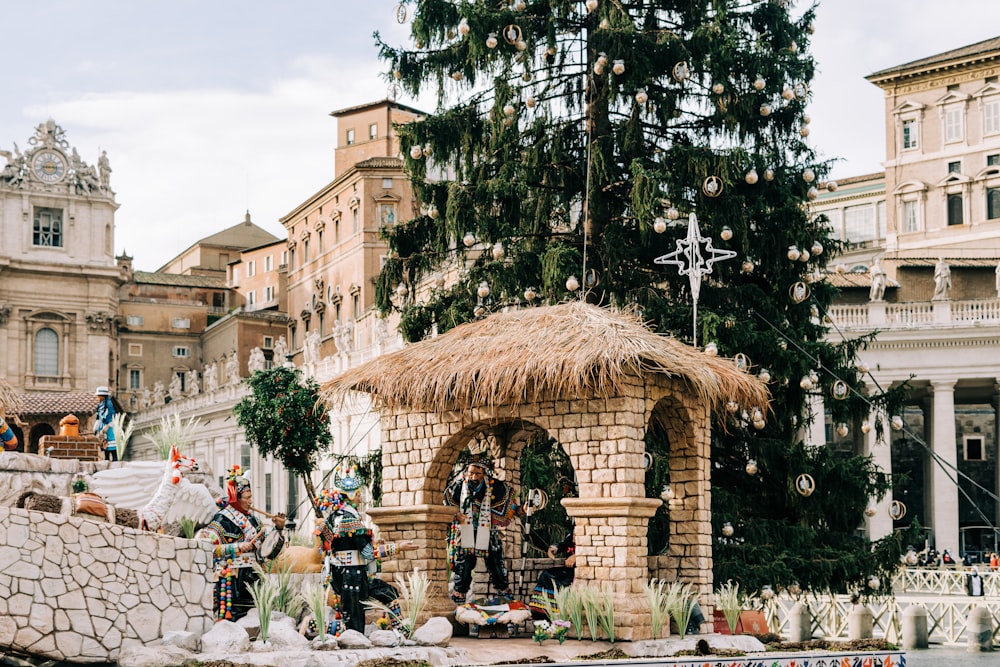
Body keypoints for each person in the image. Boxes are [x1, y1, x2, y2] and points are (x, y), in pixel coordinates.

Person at [318, 464, 417, 633]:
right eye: (358, 495)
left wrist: (374, 544)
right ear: (350, 495)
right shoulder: (351, 521)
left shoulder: (334, 518)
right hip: (353, 578)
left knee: (388, 593)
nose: (360, 498)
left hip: (345, 575)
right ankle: (316, 628)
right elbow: (368, 553)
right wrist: (397, 547)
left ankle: (401, 631)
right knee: (354, 626)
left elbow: (336, 547)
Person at [197, 466, 286, 621]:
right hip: (231, 579)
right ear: (235, 499)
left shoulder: (254, 520)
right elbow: (205, 548)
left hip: (252, 577)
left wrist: (278, 528)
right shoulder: (221, 520)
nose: (250, 501)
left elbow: (267, 551)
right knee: (234, 617)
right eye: (246, 498)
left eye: (251, 497)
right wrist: (236, 547)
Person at [444, 456, 520, 605]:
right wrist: (454, 515)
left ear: (485, 473)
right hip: (464, 532)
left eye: (477, 473)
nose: (472, 477)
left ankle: (506, 599)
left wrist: (522, 509)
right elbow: (445, 504)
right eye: (470, 473)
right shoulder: (458, 486)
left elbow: (511, 505)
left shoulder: (496, 487)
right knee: (463, 567)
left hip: (488, 532)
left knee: (496, 565)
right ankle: (458, 602)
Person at [529, 530, 576, 619]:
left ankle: (558, 612)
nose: (573, 538)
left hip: (578, 572)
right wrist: (553, 549)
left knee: (564, 584)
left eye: (576, 535)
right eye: (573, 535)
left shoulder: (590, 539)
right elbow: (561, 545)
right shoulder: (570, 537)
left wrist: (578, 555)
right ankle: (541, 611)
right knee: (546, 575)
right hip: (567, 570)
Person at [94, 386, 117, 461]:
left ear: (102, 396)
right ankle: (106, 458)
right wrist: (96, 428)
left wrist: (106, 427)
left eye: (98, 396)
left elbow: (112, 417)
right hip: (102, 428)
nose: (97, 398)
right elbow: (98, 418)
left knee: (111, 446)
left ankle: (114, 459)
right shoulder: (100, 405)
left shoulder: (109, 404)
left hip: (109, 428)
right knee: (104, 445)